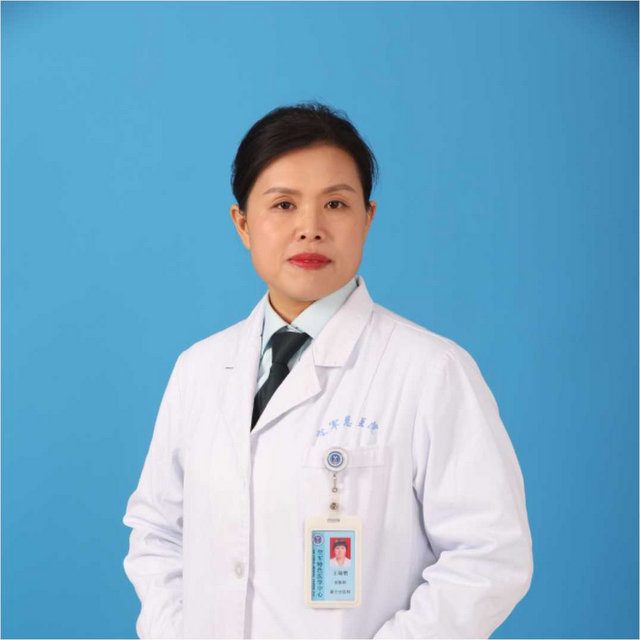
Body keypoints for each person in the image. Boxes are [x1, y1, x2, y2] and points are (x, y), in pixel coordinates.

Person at [122, 102, 533, 639]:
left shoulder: (432, 371)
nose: (310, 229)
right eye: (284, 205)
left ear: (368, 217)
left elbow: (489, 556)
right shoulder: (198, 369)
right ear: (242, 224)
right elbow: (157, 534)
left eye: (335, 204)